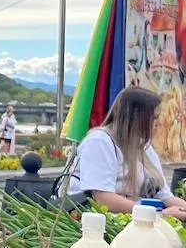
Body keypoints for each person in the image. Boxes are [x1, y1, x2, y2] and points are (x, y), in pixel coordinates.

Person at [69, 86, 186, 216]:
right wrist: (159, 214)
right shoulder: (99, 141)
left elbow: (165, 197)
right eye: (155, 118)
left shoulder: (144, 147)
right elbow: (103, 199)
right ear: (136, 118)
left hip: (134, 218)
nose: (159, 123)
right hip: (96, 222)